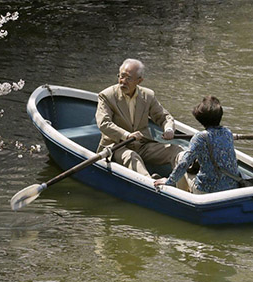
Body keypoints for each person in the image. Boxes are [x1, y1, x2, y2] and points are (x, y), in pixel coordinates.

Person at [95, 58, 187, 188]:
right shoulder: (106, 96)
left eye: (128, 78)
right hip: (118, 146)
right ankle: (152, 185)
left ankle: (183, 185)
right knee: (132, 156)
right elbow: (104, 123)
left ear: (139, 81)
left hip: (143, 145)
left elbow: (164, 117)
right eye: (121, 76)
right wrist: (127, 135)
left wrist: (168, 129)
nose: (123, 81)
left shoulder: (148, 95)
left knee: (176, 150)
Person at [154, 95, 242, 194]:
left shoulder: (200, 137)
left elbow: (184, 163)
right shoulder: (228, 132)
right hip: (231, 188)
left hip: (206, 190)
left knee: (180, 157)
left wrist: (169, 181)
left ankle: (182, 193)